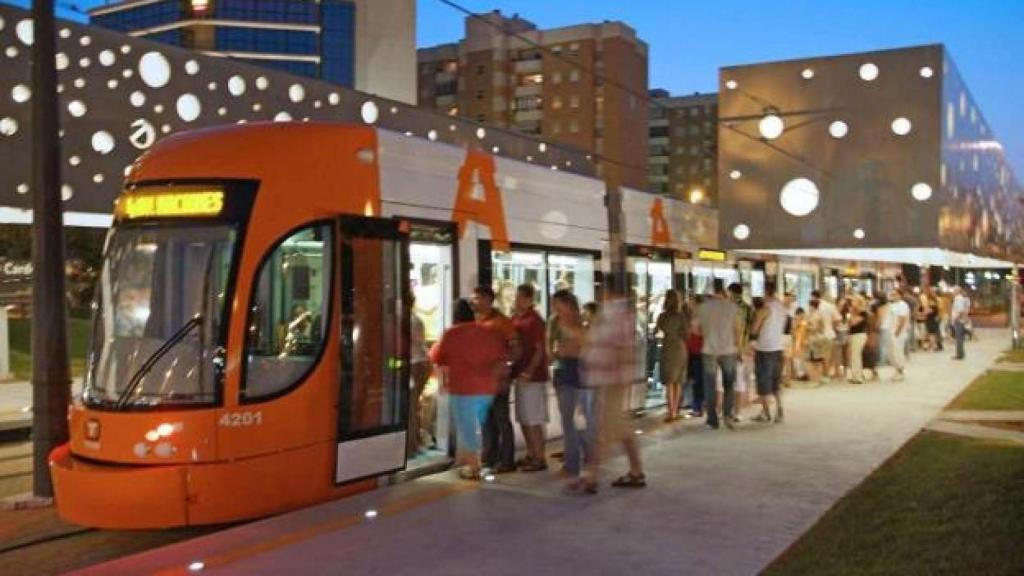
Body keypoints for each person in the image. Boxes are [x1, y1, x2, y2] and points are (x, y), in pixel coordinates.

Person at [430, 299, 507, 480]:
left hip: (463, 388)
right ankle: (467, 460)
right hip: (486, 389)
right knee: (475, 426)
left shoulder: (450, 334)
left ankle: (473, 467)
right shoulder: (486, 332)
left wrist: (443, 383)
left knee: (467, 428)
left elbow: (437, 357)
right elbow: (500, 358)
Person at [583, 294, 645, 490]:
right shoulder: (612, 315)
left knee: (605, 429)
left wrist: (622, 379)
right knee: (620, 427)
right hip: (609, 380)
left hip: (613, 381)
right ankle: (636, 470)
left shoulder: (618, 316)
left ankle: (591, 476)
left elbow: (623, 350)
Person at [472, 285, 521, 474]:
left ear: (487, 300)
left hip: (497, 379)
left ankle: (507, 460)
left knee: (501, 419)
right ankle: (488, 459)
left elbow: (516, 348)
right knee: (485, 420)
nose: (473, 301)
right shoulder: (475, 321)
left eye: (476, 298)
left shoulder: (502, 322)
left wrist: (506, 366)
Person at [550, 289, 595, 491]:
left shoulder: (581, 324)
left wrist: (568, 349)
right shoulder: (555, 323)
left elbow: (585, 349)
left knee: (582, 423)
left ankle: (588, 464)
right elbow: (552, 350)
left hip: (580, 377)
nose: (556, 310)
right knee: (569, 422)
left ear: (569, 306)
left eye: (559, 306)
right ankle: (573, 464)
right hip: (563, 375)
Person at [511, 284, 550, 472]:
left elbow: (540, 349)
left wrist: (529, 371)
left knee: (533, 418)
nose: (516, 301)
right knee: (524, 417)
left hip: (532, 377)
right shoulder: (518, 318)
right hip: (520, 374)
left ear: (528, 299)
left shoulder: (535, 320)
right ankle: (531, 453)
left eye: (519, 298)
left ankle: (539, 456)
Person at [696, 279, 741, 430]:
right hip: (728, 350)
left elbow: (696, 330)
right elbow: (737, 329)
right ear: (723, 290)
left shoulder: (702, 308)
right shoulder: (732, 307)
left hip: (709, 350)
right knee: (729, 385)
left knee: (710, 385)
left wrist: (708, 334)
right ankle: (727, 416)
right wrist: (738, 347)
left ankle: (712, 420)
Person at [751, 282, 787, 423]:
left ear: (765, 291)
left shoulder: (764, 309)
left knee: (763, 381)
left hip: (764, 348)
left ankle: (766, 413)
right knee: (776, 381)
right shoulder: (781, 307)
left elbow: (754, 329)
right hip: (778, 347)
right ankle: (780, 410)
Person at [655, 289, 689, 422]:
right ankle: (676, 410)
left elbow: (656, 330)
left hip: (667, 347)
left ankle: (671, 412)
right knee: (678, 381)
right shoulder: (682, 317)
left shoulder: (662, 316)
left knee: (669, 381)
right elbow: (686, 333)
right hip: (680, 348)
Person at [408, 295, 433, 455]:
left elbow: (418, 342)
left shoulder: (410, 320)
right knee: (414, 404)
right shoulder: (415, 319)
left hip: (415, 363)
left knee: (412, 404)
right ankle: (416, 440)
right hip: (418, 361)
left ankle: (414, 442)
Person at [809, 290, 840, 381]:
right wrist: (832, 327)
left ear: (814, 297)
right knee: (827, 356)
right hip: (830, 334)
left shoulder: (815, 307)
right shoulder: (830, 306)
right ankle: (827, 374)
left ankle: (823, 375)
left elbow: (814, 323)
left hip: (818, 335)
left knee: (819, 356)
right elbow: (838, 319)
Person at [684, 296, 705, 417]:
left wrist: (693, 331)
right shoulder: (692, 317)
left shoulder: (701, 318)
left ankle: (698, 406)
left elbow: (704, 332)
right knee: (693, 378)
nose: (690, 305)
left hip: (698, 351)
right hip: (691, 350)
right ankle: (694, 404)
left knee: (698, 380)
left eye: (692, 303)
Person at [884, 289, 911, 381]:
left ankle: (900, 371)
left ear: (900, 295)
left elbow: (902, 319)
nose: (892, 296)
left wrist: (897, 332)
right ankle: (897, 370)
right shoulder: (892, 305)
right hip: (891, 331)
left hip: (898, 333)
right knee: (892, 353)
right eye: (891, 294)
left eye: (894, 294)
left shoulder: (903, 305)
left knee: (898, 352)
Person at [846, 297, 869, 384]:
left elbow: (853, 322)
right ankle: (855, 374)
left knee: (856, 355)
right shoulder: (854, 312)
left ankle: (858, 376)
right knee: (853, 356)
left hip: (859, 335)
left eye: (854, 301)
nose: (852, 303)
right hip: (853, 334)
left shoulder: (863, 313)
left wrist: (852, 313)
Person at [951, 286, 971, 360]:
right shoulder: (961, 298)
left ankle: (959, 354)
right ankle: (960, 353)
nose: (952, 292)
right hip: (960, 320)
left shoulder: (958, 299)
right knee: (960, 337)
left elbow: (960, 310)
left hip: (958, 320)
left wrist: (955, 318)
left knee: (959, 337)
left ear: (957, 291)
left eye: (953, 291)